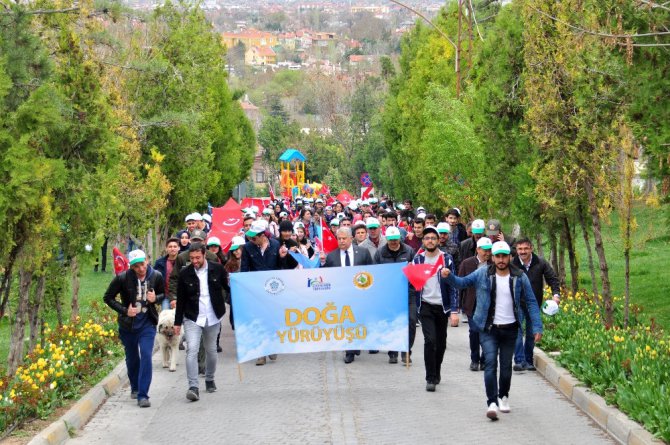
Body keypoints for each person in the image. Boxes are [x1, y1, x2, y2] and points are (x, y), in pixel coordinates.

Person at [444, 241, 543, 420]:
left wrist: (537, 326)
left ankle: (503, 396)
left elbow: (530, 301)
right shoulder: (483, 273)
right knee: (490, 363)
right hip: (488, 328)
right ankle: (491, 402)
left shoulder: (520, 276)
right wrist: (448, 276)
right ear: (493, 257)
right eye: (498, 256)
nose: (501, 260)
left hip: (510, 329)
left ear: (509, 257)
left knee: (506, 368)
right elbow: (462, 283)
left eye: (504, 256)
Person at [103, 249, 165, 408]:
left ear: (147, 261)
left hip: (147, 323)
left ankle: (143, 395)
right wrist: (125, 310)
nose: (141, 269)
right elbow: (108, 297)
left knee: (146, 355)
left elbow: (163, 293)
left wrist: (155, 298)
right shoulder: (123, 278)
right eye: (136, 266)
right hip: (128, 325)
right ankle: (135, 387)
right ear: (131, 267)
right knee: (132, 358)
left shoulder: (156, 275)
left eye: (142, 264)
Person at [174, 243, 229, 402]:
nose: (195, 261)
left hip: (213, 316)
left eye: (198, 257)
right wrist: (178, 323)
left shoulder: (217, 269)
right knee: (192, 349)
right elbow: (181, 300)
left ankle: (210, 378)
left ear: (204, 255)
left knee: (211, 350)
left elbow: (228, 288)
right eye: (192, 258)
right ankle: (193, 386)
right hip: (192, 316)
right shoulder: (185, 274)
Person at [410, 226, 458, 392]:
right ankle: (430, 377)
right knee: (430, 341)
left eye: (433, 238)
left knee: (441, 343)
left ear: (438, 241)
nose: (430, 241)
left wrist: (454, 310)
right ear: (423, 241)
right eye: (427, 238)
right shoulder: (417, 260)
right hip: (425, 306)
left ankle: (437, 371)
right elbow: (411, 283)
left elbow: (454, 285)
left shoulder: (447, 259)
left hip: (442, 307)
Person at [321, 227, 374, 364]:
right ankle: (349, 351)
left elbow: (372, 272)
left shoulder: (363, 252)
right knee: (347, 323)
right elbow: (325, 276)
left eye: (344, 238)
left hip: (360, 294)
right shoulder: (332, 256)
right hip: (342, 295)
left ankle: (357, 344)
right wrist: (322, 263)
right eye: (339, 239)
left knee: (359, 321)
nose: (341, 241)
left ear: (351, 238)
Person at [241, 220, 290, 365]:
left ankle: (272, 346)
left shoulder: (275, 245)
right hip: (256, 291)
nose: (251, 239)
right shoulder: (248, 248)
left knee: (272, 320)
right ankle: (261, 353)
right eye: (250, 237)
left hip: (274, 290)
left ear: (263, 235)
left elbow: (282, 269)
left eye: (254, 237)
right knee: (259, 321)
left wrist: (282, 257)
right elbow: (244, 270)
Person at [512, 237, 561, 371]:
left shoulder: (540, 263)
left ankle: (528, 360)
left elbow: (553, 279)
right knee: (517, 331)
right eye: (520, 249)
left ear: (531, 248)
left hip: (534, 303)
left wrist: (556, 295)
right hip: (517, 304)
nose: (523, 251)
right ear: (516, 250)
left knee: (531, 333)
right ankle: (519, 360)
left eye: (526, 248)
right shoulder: (512, 264)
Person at [373, 227, 415, 364]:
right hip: (389, 294)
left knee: (411, 322)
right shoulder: (380, 253)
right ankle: (393, 351)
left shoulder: (409, 251)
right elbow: (375, 274)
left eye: (395, 240)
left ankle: (406, 350)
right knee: (391, 323)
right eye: (390, 240)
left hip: (408, 293)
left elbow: (415, 272)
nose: (393, 242)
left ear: (400, 238)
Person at [458, 237, 493, 371]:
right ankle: (474, 359)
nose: (487, 253)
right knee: (474, 332)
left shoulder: (493, 264)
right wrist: (458, 306)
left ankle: (484, 360)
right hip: (471, 304)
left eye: (489, 250)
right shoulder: (467, 263)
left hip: (488, 304)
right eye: (485, 250)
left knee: (486, 333)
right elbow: (460, 284)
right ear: (478, 250)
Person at [223, 236, 245, 330]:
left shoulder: (249, 261)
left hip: (248, 294)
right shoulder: (229, 264)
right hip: (235, 294)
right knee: (235, 320)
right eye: (233, 250)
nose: (236, 251)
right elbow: (226, 281)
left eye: (238, 249)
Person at [154, 238, 180, 310]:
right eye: (170, 246)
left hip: (180, 296)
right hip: (166, 296)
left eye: (175, 246)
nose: (172, 249)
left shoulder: (183, 261)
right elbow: (154, 278)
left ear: (178, 248)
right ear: (166, 249)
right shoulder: (159, 263)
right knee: (165, 318)